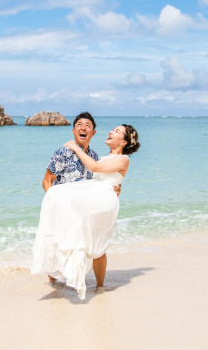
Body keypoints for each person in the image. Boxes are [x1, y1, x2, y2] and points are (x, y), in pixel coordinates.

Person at [31, 121, 140, 299]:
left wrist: (75, 147)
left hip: (102, 202)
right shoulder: (101, 157)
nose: (111, 131)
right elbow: (95, 176)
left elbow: (95, 168)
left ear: (123, 142)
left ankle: (99, 286)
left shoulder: (123, 159)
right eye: (112, 129)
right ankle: (60, 275)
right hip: (92, 198)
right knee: (72, 233)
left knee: (98, 243)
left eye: (117, 131)